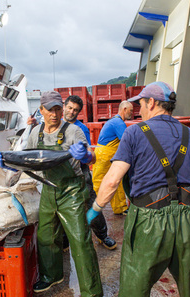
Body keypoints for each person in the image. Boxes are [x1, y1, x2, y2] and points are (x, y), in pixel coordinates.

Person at [86, 82, 190, 297]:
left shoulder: (134, 133)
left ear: (152, 102)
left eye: (141, 104)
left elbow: (112, 181)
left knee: (135, 287)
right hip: (189, 220)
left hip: (149, 223)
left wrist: (95, 209)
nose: (139, 110)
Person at [0, 91, 103, 296]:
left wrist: (86, 155)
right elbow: (29, 160)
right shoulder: (36, 132)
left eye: (58, 109)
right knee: (46, 236)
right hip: (48, 190)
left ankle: (92, 291)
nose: (55, 114)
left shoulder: (73, 131)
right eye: (50, 110)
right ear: (41, 110)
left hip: (71, 192)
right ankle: (51, 276)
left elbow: (92, 158)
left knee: (80, 241)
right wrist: (9, 164)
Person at [63, 95, 117, 250]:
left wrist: (85, 155)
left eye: (75, 110)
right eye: (70, 108)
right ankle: (64, 240)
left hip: (80, 171)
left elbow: (89, 156)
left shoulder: (82, 128)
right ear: (64, 106)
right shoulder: (54, 125)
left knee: (90, 202)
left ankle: (102, 235)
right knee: (61, 207)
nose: (72, 112)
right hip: (60, 173)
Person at [92, 101, 133, 215]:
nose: (132, 113)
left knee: (117, 181)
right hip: (104, 155)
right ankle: (89, 206)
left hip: (109, 155)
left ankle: (121, 208)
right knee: (98, 182)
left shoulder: (115, 121)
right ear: (124, 109)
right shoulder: (118, 123)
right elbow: (127, 142)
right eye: (130, 110)